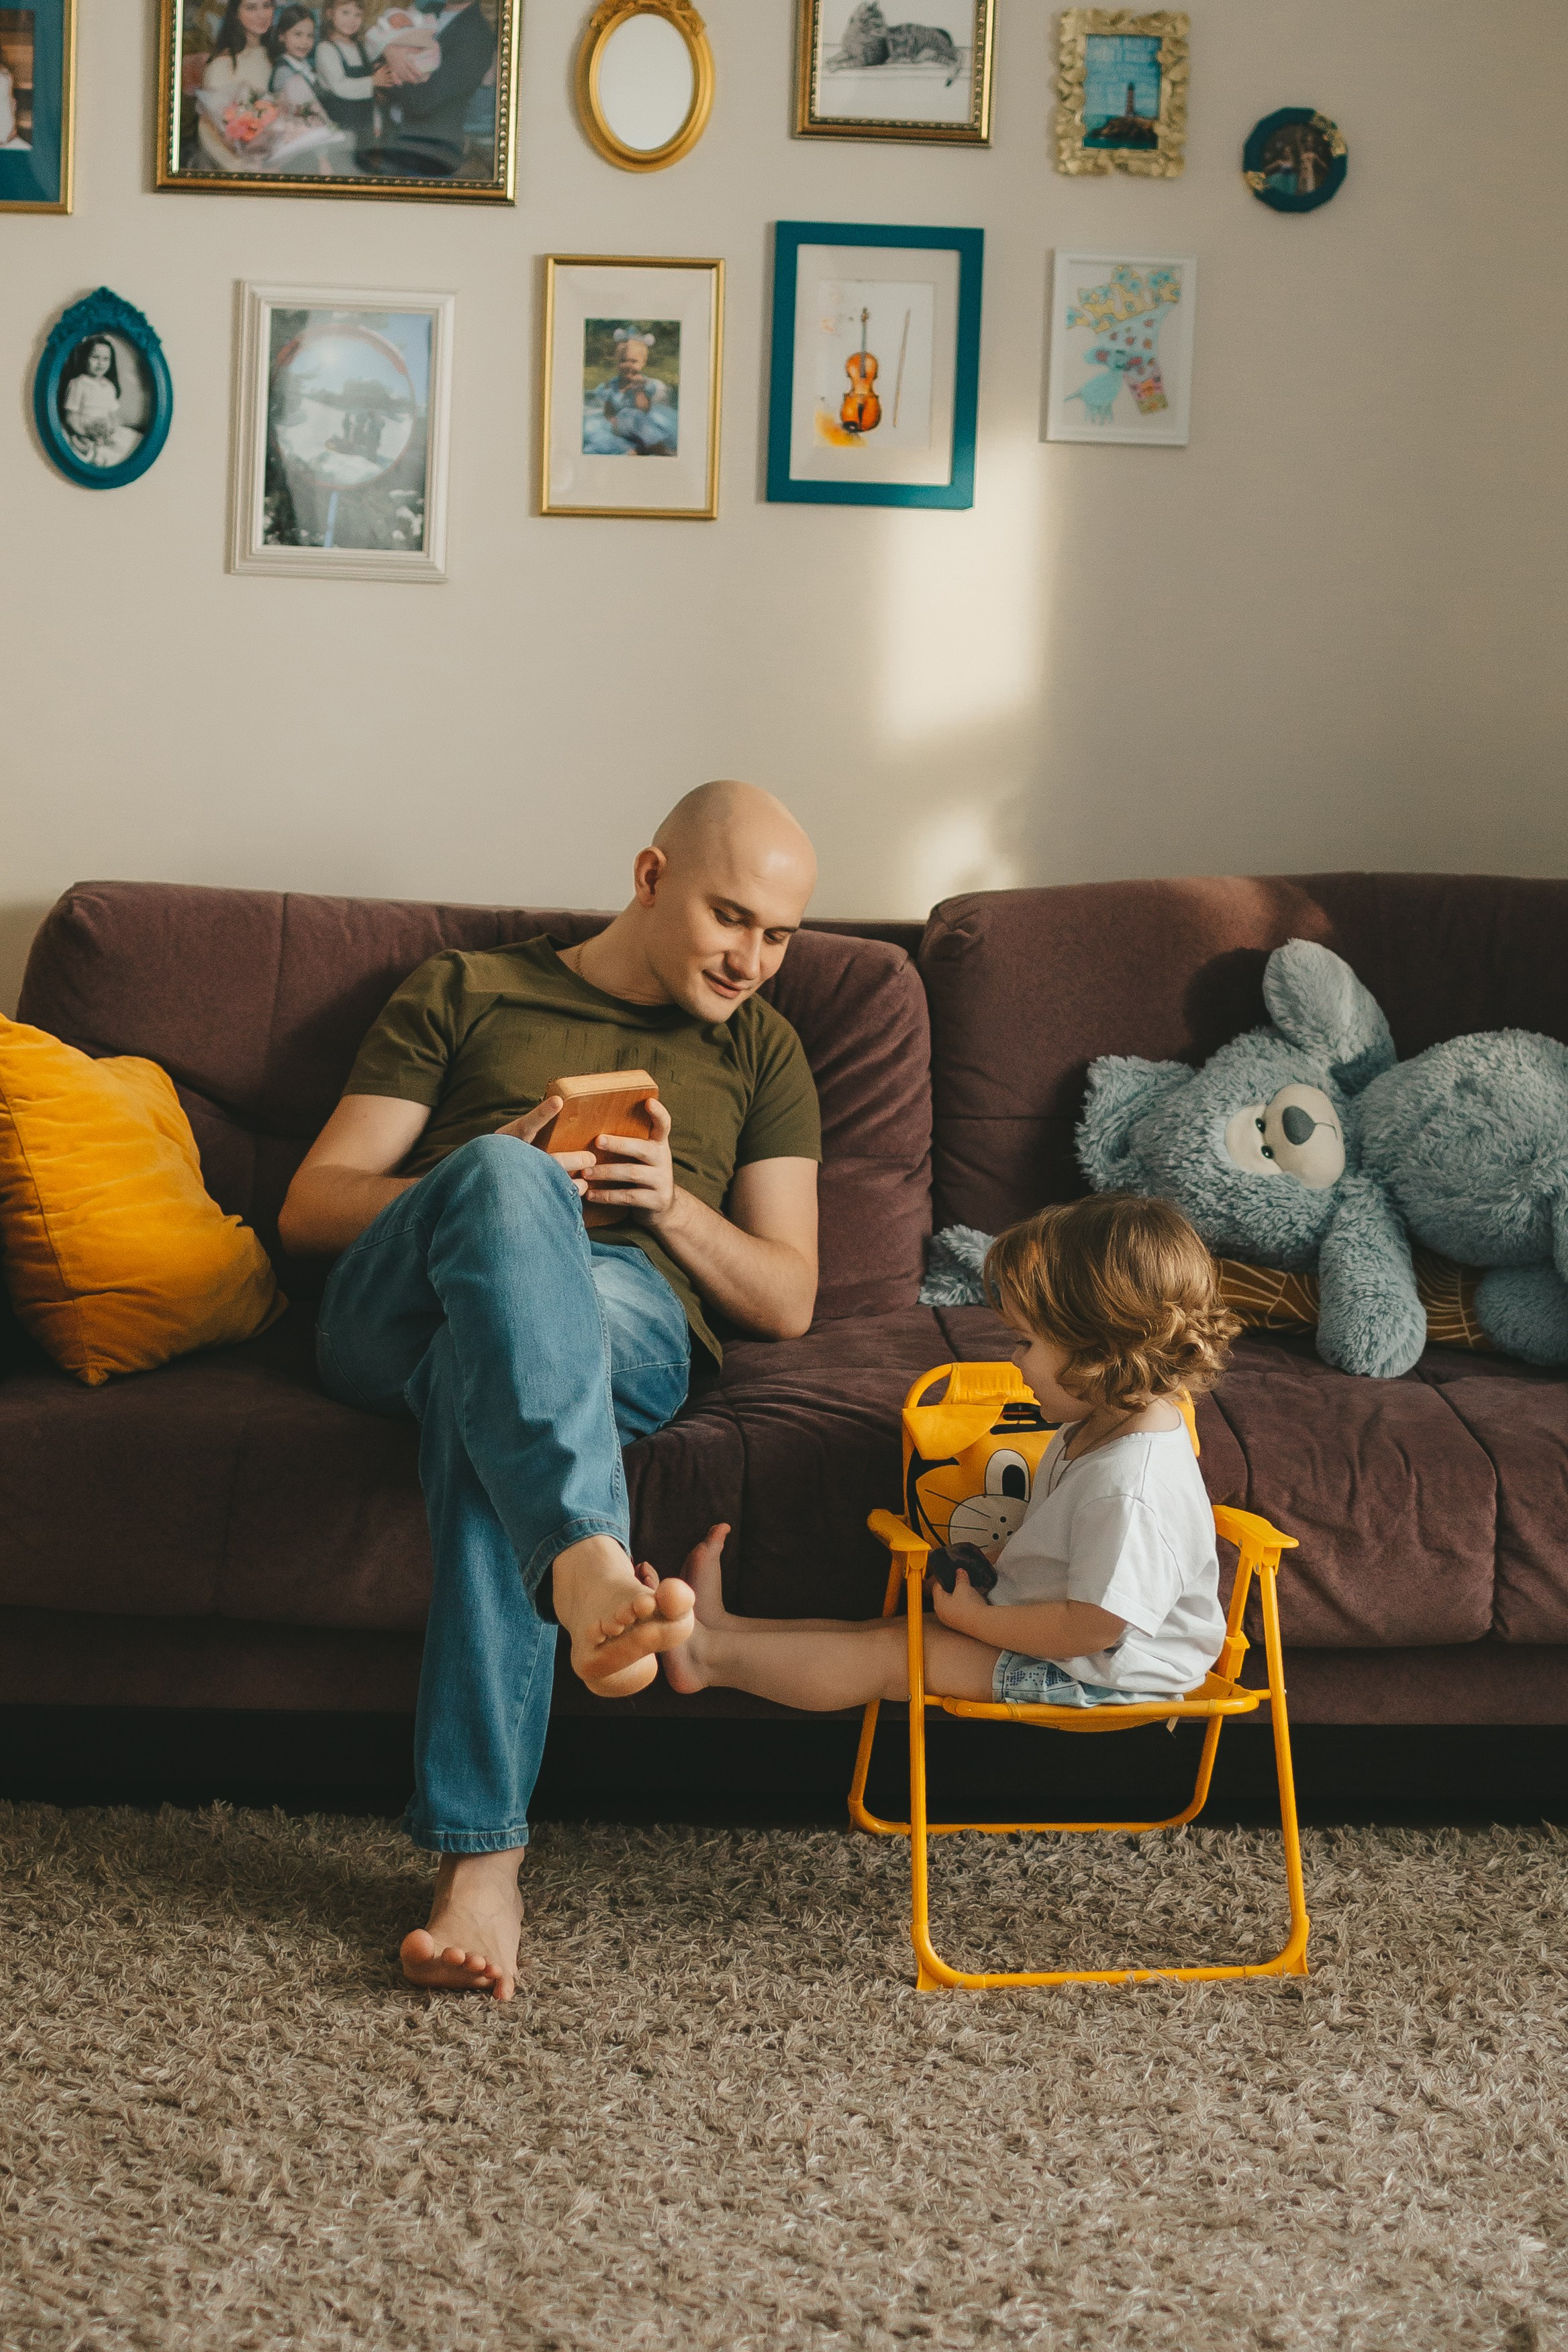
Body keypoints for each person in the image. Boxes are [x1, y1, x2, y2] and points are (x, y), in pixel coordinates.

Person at [277, 782, 822, 2001]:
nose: (751, 960)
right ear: (650, 875)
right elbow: (312, 1206)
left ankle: (483, 1863)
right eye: (732, 917)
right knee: (496, 1177)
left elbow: (788, 1294)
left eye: (780, 936)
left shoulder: (764, 1049)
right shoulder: (465, 987)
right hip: (401, 1303)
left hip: (623, 1314)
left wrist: (669, 1205)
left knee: (492, 1380)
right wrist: (498, 1178)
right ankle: (583, 1556)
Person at [665, 1194, 1239, 1717]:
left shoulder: (1131, 1486)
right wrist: (1001, 1556)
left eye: (1026, 1341)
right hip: (1074, 1643)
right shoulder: (1094, 1424)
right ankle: (721, 1631)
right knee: (887, 1633)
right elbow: (1072, 1540)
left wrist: (979, 1620)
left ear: (1100, 1350)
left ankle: (705, 1660)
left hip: (1107, 1674)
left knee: (894, 1656)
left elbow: (1094, 1627)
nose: (1014, 1360)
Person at [360, 0, 495, 177]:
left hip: (430, 152)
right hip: (391, 140)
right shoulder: (426, 10)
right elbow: (370, 40)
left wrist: (383, 70)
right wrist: (388, 50)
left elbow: (423, 102)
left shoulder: (479, 35)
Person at [315, 0, 389, 156]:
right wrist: (373, 81)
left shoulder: (360, 47)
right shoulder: (326, 49)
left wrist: (376, 120)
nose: (352, 20)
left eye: (358, 15)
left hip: (365, 127)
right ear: (330, 13)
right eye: (345, 12)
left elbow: (372, 96)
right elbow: (340, 87)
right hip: (342, 128)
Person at [59, 339, 142, 470]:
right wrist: (85, 433)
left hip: (106, 433)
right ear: (85, 358)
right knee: (83, 449)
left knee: (131, 443)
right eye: (95, 357)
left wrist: (110, 431)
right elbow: (71, 417)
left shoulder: (109, 386)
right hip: (83, 431)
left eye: (105, 359)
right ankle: (94, 454)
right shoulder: (79, 383)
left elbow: (113, 416)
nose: (100, 363)